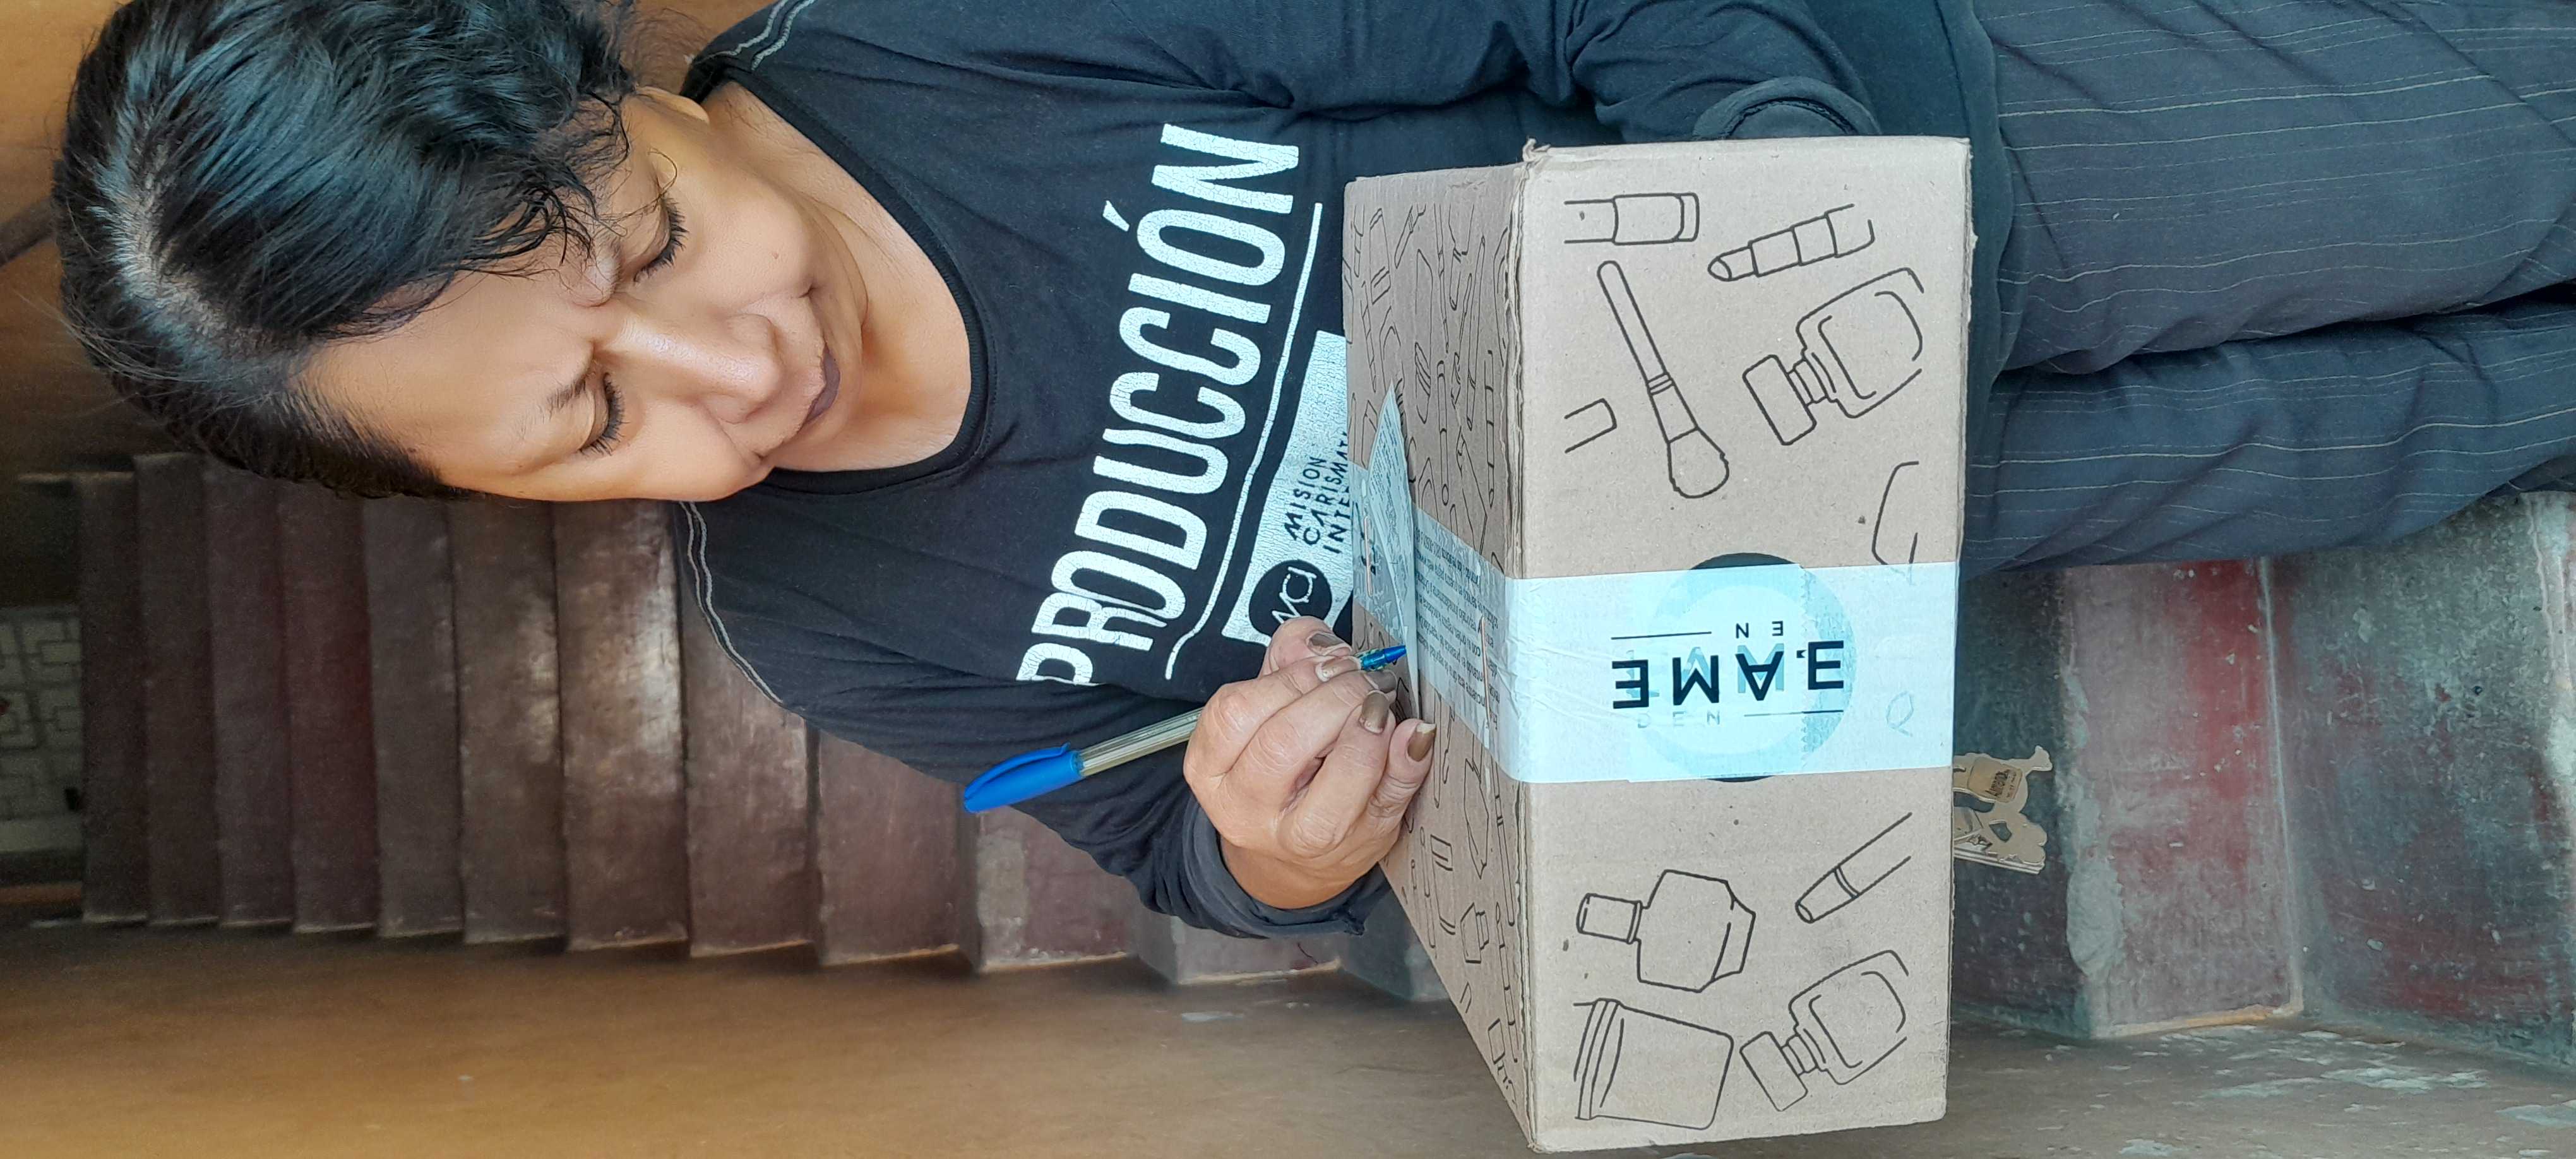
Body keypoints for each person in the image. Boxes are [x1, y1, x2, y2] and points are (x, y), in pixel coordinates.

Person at [52, 0, 2576, 937]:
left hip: (1989, 166)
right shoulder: (831, 625)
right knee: (2441, 437)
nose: (734, 374)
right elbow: (1163, 843)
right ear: (486, 502)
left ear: (629, 81)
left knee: (2511, 166)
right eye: (591, 428)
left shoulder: (966, 38)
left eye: (656, 245)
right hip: (1909, 533)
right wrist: (1271, 850)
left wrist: (1764, 229)